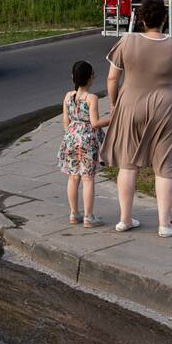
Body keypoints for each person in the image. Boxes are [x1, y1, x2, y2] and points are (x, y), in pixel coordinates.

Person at [100, 0, 172, 238]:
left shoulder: (127, 42)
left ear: (141, 19)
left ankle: (125, 219)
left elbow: (111, 79)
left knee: (127, 164)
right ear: (164, 19)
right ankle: (164, 224)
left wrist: (115, 104)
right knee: (164, 166)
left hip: (130, 104)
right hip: (165, 107)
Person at [57, 61, 110, 227]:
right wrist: (113, 119)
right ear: (90, 79)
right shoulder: (91, 98)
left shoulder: (67, 96)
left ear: (73, 77)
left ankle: (74, 214)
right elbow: (95, 123)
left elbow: (65, 121)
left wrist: (71, 134)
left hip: (71, 137)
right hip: (87, 140)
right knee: (88, 178)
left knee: (73, 177)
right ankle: (89, 217)